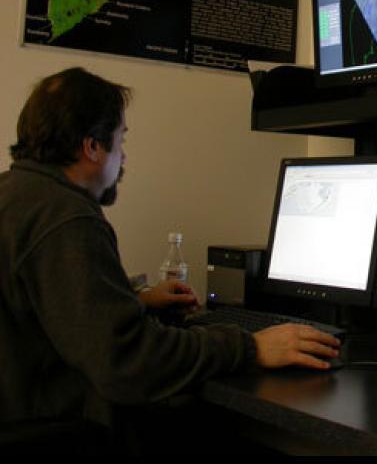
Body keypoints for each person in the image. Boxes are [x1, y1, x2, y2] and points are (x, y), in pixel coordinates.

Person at [0, 67, 340, 442]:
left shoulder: (17, 195)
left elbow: (46, 309)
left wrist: (133, 301)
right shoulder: (65, 217)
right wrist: (251, 345)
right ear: (92, 147)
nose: (123, 156)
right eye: (120, 139)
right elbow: (126, 361)